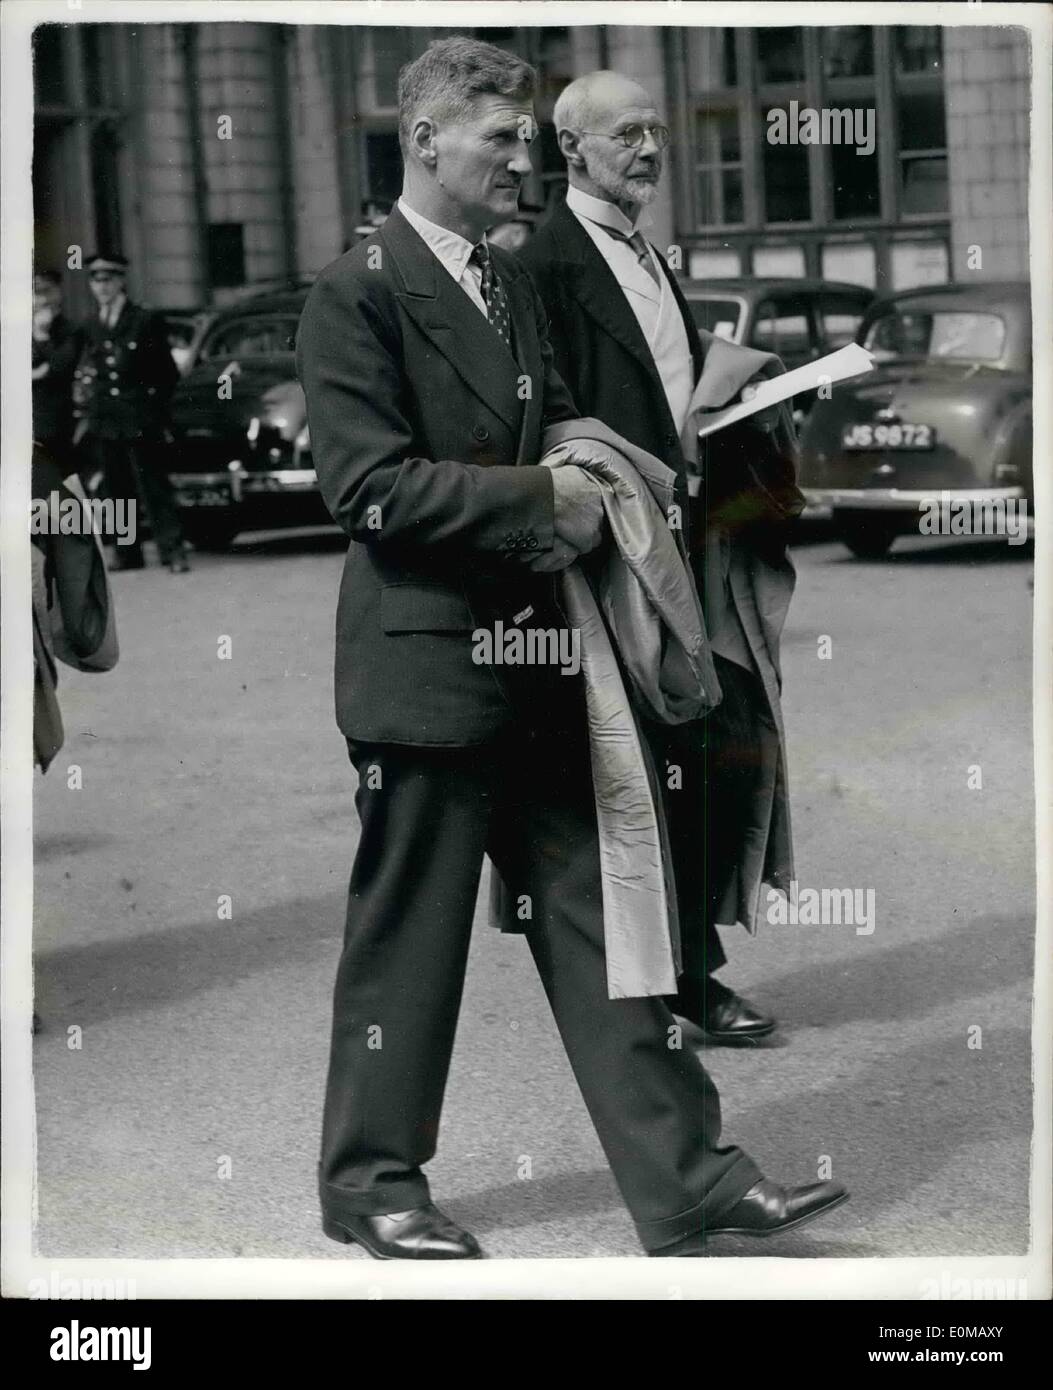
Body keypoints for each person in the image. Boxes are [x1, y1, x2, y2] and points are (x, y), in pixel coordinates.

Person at [296, 35, 846, 1260]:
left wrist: (618, 468)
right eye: (503, 139)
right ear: (426, 141)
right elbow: (368, 489)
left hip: (546, 662)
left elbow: (559, 431)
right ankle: (372, 1182)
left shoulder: (512, 285)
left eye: (534, 139)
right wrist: (545, 501)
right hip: (426, 677)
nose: (526, 161)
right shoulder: (359, 289)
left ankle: (690, 1179)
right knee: (409, 944)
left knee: (612, 929)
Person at [520, 71, 800, 1049]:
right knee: (643, 770)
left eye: (656, 134)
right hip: (621, 560)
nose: (648, 151)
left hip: (689, 542)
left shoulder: (645, 248)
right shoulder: (544, 266)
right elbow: (550, 422)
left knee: (702, 751)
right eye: (627, 135)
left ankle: (692, 969)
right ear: (572, 148)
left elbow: (668, 382)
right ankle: (671, 987)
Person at [72, 253, 190, 573]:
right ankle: (128, 552)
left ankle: (172, 550)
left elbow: (167, 373)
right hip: (107, 418)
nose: (102, 288)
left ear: (121, 281)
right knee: (117, 488)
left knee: (152, 485)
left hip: (140, 416)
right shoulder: (92, 322)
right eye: (96, 282)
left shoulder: (143, 320)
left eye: (108, 280)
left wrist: (155, 411)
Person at [32, 270, 80, 464]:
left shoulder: (69, 330)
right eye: (36, 292)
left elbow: (57, 367)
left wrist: (43, 335)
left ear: (58, 294)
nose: (42, 299)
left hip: (54, 417)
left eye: (47, 292)